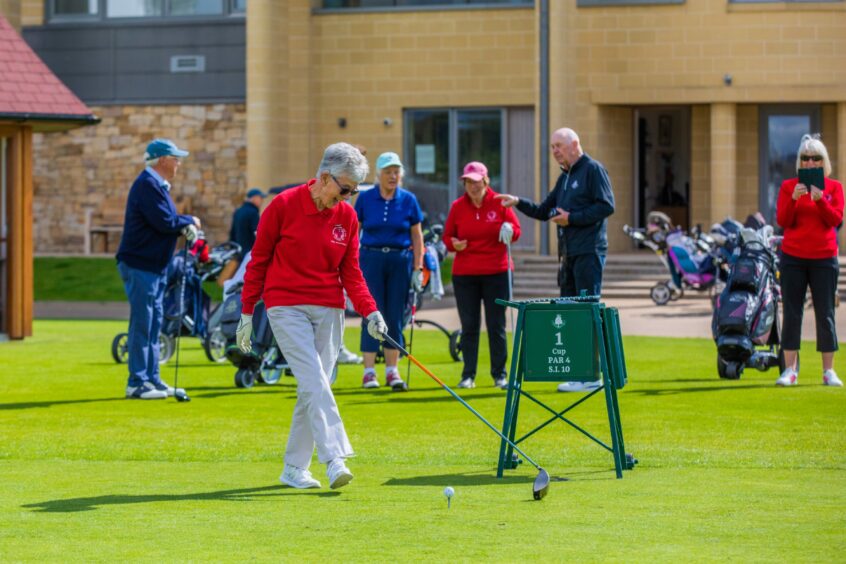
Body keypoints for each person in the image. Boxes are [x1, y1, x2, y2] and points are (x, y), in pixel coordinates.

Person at [236, 142, 388, 490]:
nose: (348, 197)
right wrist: (246, 312)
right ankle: (334, 459)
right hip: (284, 304)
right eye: (344, 189)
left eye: (353, 191)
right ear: (324, 177)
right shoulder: (282, 206)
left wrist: (371, 311)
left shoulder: (347, 217)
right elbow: (258, 261)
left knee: (313, 386)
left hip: (329, 306)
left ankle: (293, 468)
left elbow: (351, 272)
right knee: (315, 380)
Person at [496, 127, 615, 393]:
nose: (555, 151)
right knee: (570, 313)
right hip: (568, 255)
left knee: (586, 312)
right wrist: (517, 202)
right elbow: (544, 210)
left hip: (589, 252)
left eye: (558, 146)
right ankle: (579, 372)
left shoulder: (592, 170)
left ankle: (592, 374)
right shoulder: (565, 178)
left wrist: (571, 218)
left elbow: (607, 206)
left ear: (575, 144)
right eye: (552, 147)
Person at [116, 138, 202, 399]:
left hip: (155, 266)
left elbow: (166, 222)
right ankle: (137, 382)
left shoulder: (157, 185)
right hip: (140, 264)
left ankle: (152, 379)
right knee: (143, 322)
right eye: (176, 158)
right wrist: (190, 221)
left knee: (154, 322)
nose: (178, 163)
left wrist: (182, 225)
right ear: (162, 160)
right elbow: (164, 221)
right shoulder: (147, 185)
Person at [444, 161, 521, 390]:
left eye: (476, 181)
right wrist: (454, 244)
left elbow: (516, 231)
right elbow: (448, 237)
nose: (472, 186)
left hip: (497, 271)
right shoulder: (458, 206)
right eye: (468, 181)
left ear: (485, 181)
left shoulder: (500, 203)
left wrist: (509, 232)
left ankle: (500, 375)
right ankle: (468, 375)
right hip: (466, 274)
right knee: (469, 325)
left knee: (496, 325)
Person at [775, 134, 843, 387]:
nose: (811, 162)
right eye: (806, 158)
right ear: (800, 162)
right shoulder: (788, 186)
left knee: (825, 313)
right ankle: (790, 370)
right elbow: (783, 220)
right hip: (793, 257)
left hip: (824, 258)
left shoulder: (834, 187)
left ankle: (828, 372)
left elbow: (836, 220)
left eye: (816, 158)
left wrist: (820, 200)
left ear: (823, 161)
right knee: (792, 313)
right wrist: (794, 198)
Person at [355, 152, 425, 390]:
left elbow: (417, 236)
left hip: (399, 259)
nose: (393, 176)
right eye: (388, 172)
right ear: (379, 175)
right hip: (370, 259)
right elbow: (355, 231)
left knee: (395, 314)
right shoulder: (365, 199)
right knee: (371, 312)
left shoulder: (408, 199)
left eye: (396, 172)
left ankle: (392, 371)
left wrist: (418, 267)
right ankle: (369, 371)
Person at [229, 188, 266, 255]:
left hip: (238, 251)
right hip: (249, 253)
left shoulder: (238, 211)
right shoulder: (253, 213)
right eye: (260, 198)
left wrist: (233, 249)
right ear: (254, 198)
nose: (262, 201)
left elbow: (232, 232)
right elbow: (257, 234)